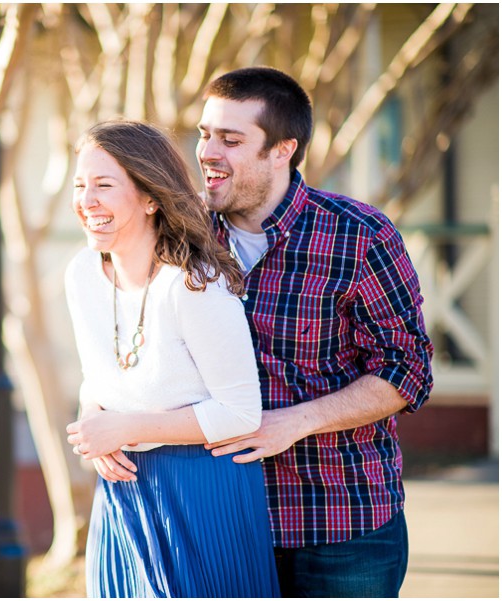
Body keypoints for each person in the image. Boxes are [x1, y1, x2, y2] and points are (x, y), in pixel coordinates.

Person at [195, 66, 434, 597]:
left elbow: (406, 370)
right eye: (205, 133)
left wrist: (294, 423)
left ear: (282, 149)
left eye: (231, 139)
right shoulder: (183, 238)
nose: (209, 151)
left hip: (341, 525)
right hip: (219, 522)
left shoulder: (359, 236)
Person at [64, 119, 280, 598]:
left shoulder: (193, 285)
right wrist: (93, 418)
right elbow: (98, 375)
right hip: (121, 494)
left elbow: (241, 411)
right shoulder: (81, 274)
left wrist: (124, 429)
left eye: (103, 185)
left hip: (200, 490)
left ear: (149, 197)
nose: (86, 201)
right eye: (80, 185)